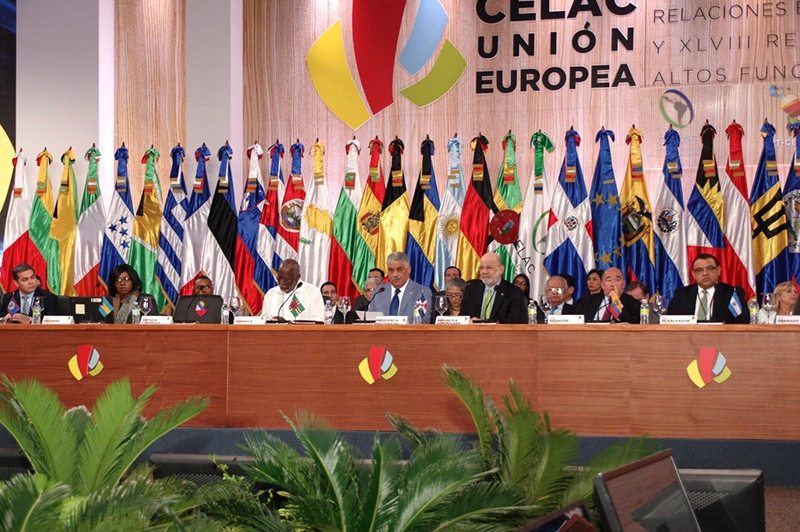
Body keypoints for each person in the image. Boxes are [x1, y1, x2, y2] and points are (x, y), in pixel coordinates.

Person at [667, 253, 748, 324]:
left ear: (718, 270)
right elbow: (668, 322)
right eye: (699, 270)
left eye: (710, 268)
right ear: (693, 274)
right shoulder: (681, 295)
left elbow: (743, 322)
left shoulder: (731, 293)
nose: (705, 273)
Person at [461, 252, 528, 324]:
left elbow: (515, 322)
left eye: (489, 267)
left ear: (501, 269)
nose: (484, 271)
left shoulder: (514, 293)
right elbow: (462, 318)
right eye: (481, 268)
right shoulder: (471, 290)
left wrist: (485, 323)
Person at [370, 251, 432, 322]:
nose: (395, 274)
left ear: (408, 269)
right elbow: (370, 321)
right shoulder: (378, 293)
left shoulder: (422, 293)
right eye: (391, 270)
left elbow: (423, 322)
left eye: (399, 269)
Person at [260, 259, 325, 322]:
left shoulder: (312, 293)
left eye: (286, 279)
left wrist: (289, 325)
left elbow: (318, 321)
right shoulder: (271, 294)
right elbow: (263, 321)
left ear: (297, 277)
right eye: (279, 278)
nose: (281, 282)